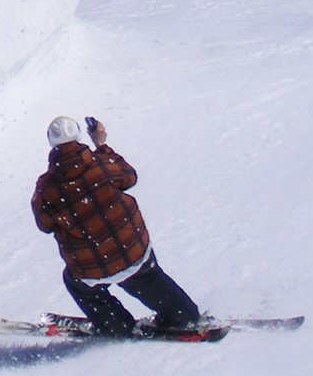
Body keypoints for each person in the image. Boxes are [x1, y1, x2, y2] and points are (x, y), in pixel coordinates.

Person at [31, 114, 204, 336]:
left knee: (76, 282)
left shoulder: (47, 187)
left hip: (90, 267)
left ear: (51, 142)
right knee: (143, 276)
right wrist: (101, 144)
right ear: (78, 134)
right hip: (132, 252)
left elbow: (44, 224)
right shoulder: (101, 165)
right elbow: (129, 177)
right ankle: (183, 317)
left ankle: (116, 325)